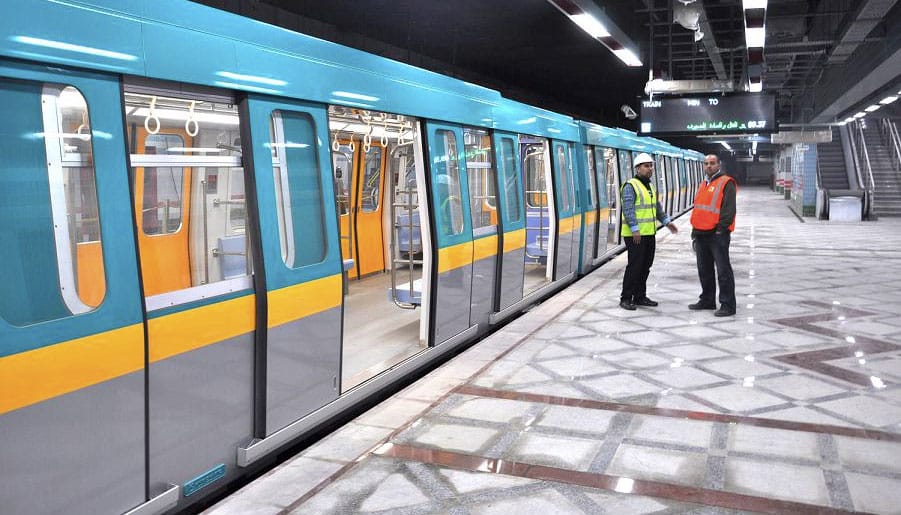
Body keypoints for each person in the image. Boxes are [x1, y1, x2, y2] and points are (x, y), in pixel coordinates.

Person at [619, 153, 678, 310]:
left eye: (651, 165)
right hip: (635, 235)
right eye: (646, 166)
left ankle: (640, 296)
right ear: (638, 169)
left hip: (649, 233)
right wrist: (634, 229)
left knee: (646, 266)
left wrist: (667, 222)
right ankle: (625, 298)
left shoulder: (650, 186)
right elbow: (628, 209)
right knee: (635, 266)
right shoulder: (630, 186)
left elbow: (657, 208)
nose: (650, 169)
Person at [689, 154, 737, 317]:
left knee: (723, 271)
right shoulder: (704, 184)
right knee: (704, 270)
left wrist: (720, 230)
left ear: (719, 165)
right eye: (706, 163)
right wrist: (694, 232)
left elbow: (729, 210)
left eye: (712, 163)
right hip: (701, 234)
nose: (708, 166)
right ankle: (707, 300)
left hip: (717, 235)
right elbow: (699, 209)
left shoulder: (726, 182)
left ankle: (728, 304)